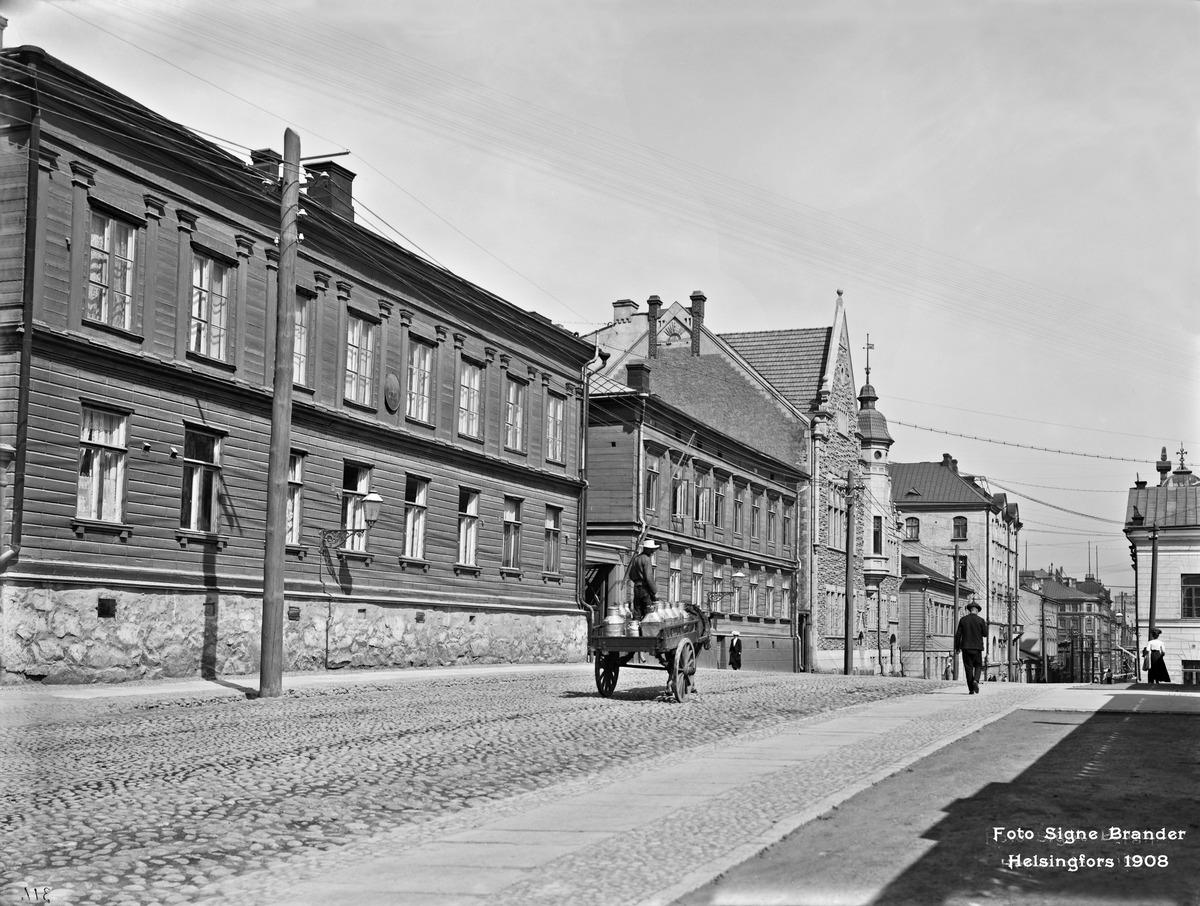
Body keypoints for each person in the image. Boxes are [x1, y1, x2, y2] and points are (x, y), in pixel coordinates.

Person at [954, 601, 987, 694]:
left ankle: (971, 689)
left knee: (968, 668)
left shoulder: (963, 620)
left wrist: (957, 648)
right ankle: (976, 680)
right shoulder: (980, 620)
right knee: (978, 665)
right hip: (977, 648)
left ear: (969, 610)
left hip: (966, 648)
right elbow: (985, 634)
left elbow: (958, 635)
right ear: (976, 610)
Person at [627, 538, 659, 620]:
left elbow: (630, 574)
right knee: (648, 613)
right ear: (647, 549)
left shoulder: (636, 558)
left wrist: (637, 581)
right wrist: (654, 591)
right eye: (652, 550)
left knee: (637, 611)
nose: (653, 552)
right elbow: (649, 577)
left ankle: (635, 630)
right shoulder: (646, 559)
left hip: (636, 588)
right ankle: (645, 632)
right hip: (645, 588)